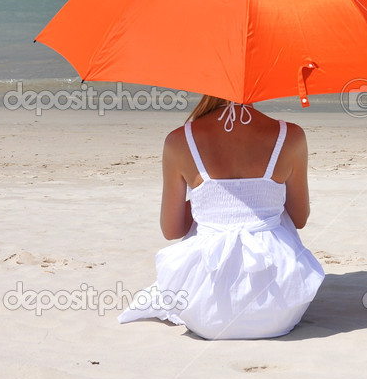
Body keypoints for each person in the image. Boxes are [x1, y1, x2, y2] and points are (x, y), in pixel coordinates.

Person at [118, 96, 324, 339]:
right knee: (275, 211)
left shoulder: (179, 140)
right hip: (278, 311)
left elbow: (172, 229)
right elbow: (299, 217)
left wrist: (210, 200)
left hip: (205, 311)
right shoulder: (290, 136)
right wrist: (258, 197)